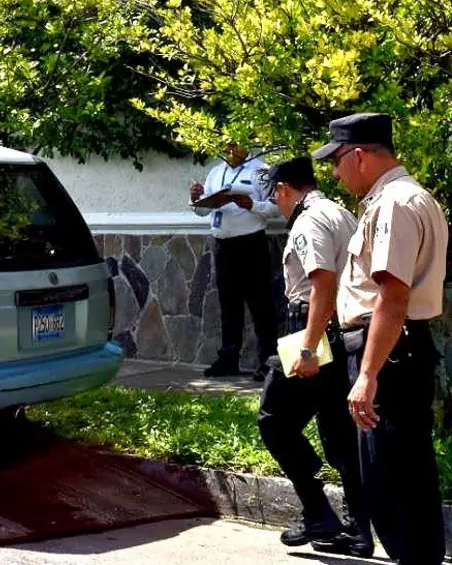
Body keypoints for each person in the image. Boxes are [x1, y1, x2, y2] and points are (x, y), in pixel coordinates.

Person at [313, 113, 448, 565]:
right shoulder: (404, 198)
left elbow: (393, 294)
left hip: (390, 354)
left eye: (337, 161)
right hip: (398, 349)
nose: (335, 173)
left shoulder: (394, 203)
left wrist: (367, 375)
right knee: (407, 476)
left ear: (360, 155)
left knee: (391, 481)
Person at [258, 157, 372, 556]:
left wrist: (307, 348)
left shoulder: (308, 221)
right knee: (340, 436)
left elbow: (321, 281)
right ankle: (359, 530)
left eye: (275, 195)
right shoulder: (338, 211)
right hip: (342, 333)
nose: (276, 203)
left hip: (315, 332)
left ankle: (318, 510)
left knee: (273, 421)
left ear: (284, 189)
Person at [190, 141, 280, 379]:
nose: (229, 151)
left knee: (260, 304)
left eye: (234, 146)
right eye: (226, 146)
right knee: (229, 304)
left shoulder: (261, 170)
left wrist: (252, 205)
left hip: (251, 244)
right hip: (223, 245)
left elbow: (275, 208)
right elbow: (202, 211)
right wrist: (197, 199)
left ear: (245, 145)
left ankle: (268, 360)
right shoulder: (215, 172)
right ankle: (228, 358)